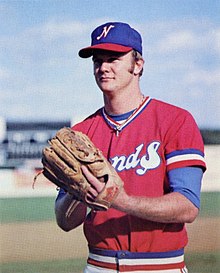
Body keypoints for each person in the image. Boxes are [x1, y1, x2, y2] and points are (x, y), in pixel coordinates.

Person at [55, 22, 206, 273]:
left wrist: (120, 200)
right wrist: (78, 191)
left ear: (137, 65)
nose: (103, 67)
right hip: (99, 265)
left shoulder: (175, 121)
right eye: (97, 60)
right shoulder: (80, 134)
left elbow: (188, 206)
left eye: (113, 58)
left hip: (161, 266)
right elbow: (64, 221)